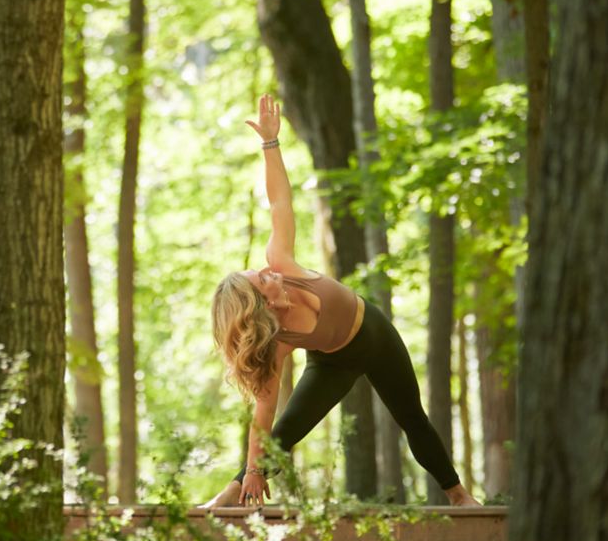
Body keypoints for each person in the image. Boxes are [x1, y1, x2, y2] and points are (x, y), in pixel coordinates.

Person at [202, 94, 479, 509]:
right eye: (260, 280)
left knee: (412, 418)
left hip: (375, 334)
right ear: (261, 306)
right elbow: (263, 414)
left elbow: (280, 202)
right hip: (334, 362)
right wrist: (255, 472)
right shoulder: (276, 341)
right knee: (284, 434)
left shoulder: (283, 263)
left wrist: (270, 144)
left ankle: (458, 496)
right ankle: (233, 490)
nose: (266, 271)